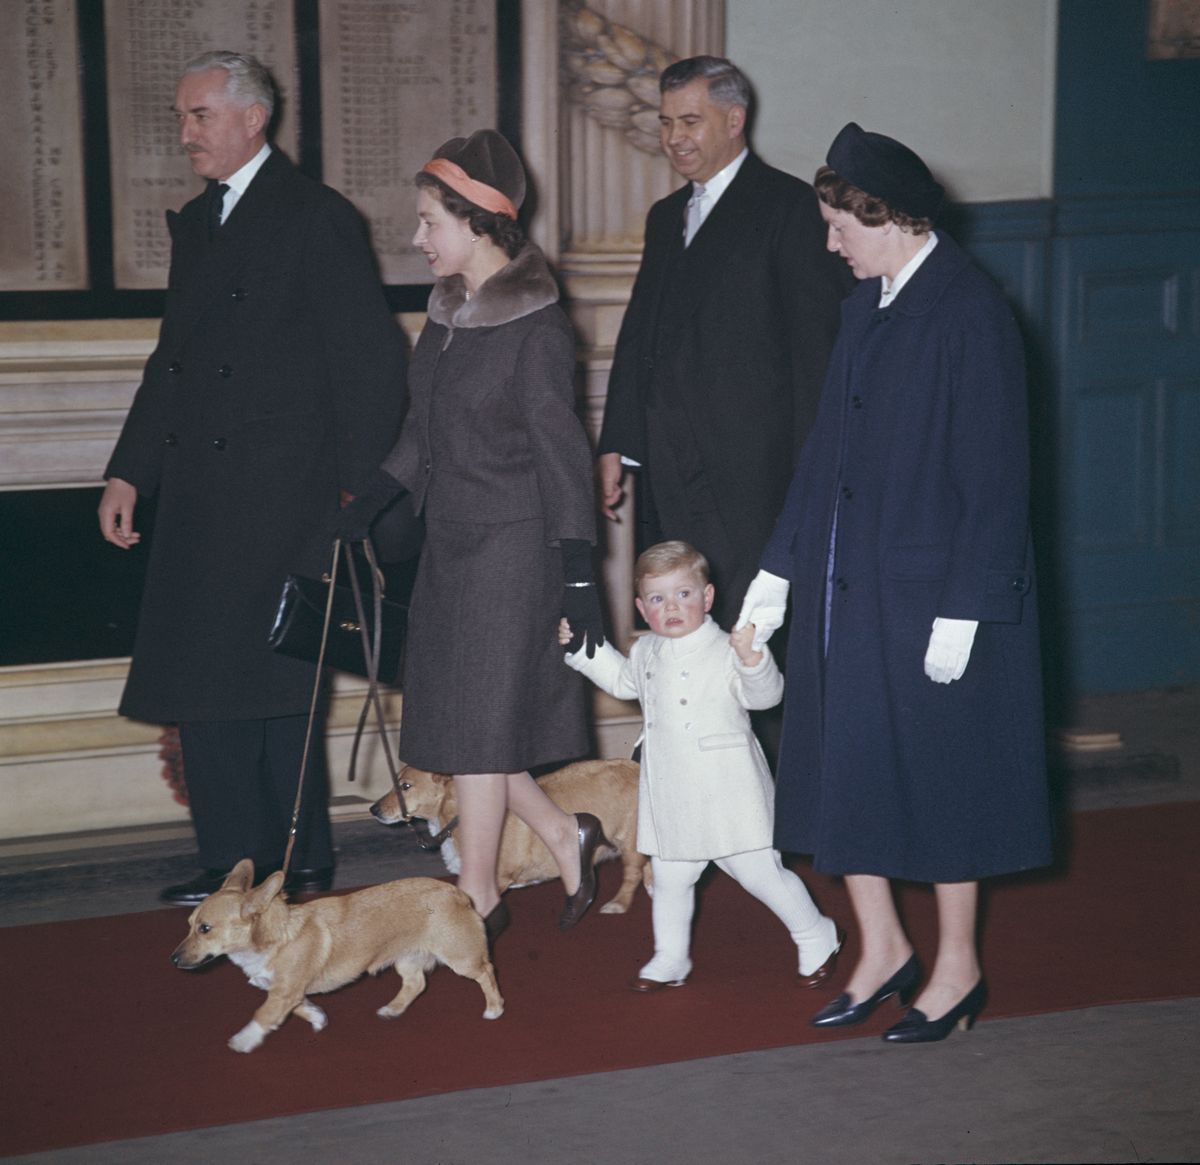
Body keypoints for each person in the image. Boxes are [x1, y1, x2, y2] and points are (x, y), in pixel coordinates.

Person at [738, 123, 1052, 1043]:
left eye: (841, 225)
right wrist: (775, 572)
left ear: (893, 219)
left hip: (932, 596)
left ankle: (957, 965)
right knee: (846, 765)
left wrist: (969, 605)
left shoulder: (970, 311)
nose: (830, 243)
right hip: (852, 586)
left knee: (947, 781)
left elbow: (998, 478)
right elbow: (823, 453)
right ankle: (880, 947)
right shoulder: (864, 306)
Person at [98, 51, 407, 906]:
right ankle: (230, 859)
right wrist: (130, 470)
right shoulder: (200, 222)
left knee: (277, 682)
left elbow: (371, 364)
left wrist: (356, 495)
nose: (185, 132)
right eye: (183, 116)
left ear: (251, 119)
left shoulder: (316, 216)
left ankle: (297, 858)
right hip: (200, 492)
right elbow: (173, 362)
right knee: (204, 680)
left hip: (287, 493)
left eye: (199, 115)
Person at [335, 130, 609, 937]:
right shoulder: (449, 315)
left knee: (483, 735)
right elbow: (423, 432)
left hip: (516, 550)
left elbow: (566, 460)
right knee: (465, 728)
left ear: (479, 223)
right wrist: (375, 496)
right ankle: (566, 833)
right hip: (451, 548)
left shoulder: (539, 331)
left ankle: (480, 898)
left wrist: (580, 574)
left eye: (429, 222)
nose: (417, 238)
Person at [597, 56, 850, 629]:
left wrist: (812, 476)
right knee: (684, 636)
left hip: (756, 480)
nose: (674, 138)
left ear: (734, 120)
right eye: (665, 123)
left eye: (690, 121)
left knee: (755, 634)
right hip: (671, 467)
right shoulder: (667, 217)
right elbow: (640, 334)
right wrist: (617, 441)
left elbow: (817, 356)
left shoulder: (789, 209)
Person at [560, 541, 841, 991]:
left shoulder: (728, 647)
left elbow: (765, 696)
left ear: (707, 597)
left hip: (728, 789)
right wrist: (582, 650)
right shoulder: (646, 651)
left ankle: (815, 933)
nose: (672, 607)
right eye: (657, 599)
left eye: (683, 595)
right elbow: (621, 680)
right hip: (672, 792)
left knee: (759, 872)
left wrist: (753, 659)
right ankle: (670, 957)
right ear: (641, 608)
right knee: (670, 878)